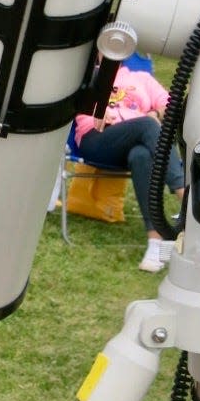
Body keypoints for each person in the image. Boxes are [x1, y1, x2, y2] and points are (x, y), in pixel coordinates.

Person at [71, 60, 184, 273]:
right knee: (148, 125)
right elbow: (70, 102)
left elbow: (171, 103)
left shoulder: (141, 78)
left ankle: (155, 243)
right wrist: (94, 108)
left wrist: (157, 113)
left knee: (142, 155)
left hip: (133, 142)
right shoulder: (85, 76)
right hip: (98, 138)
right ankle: (186, 196)